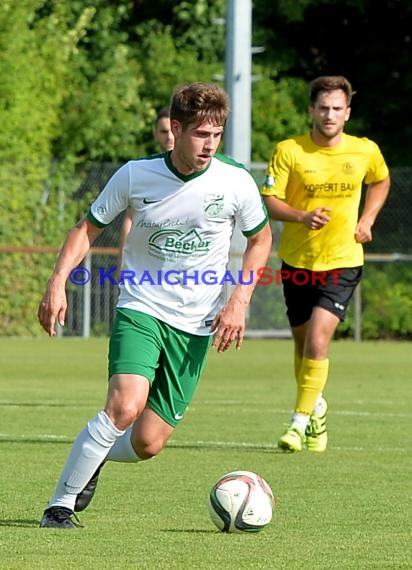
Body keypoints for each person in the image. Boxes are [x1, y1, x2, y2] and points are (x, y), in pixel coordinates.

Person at [38, 82, 272, 528]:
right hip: (141, 307)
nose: (209, 144)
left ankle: (95, 454)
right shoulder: (134, 175)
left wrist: (240, 298)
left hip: (198, 323)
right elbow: (87, 228)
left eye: (216, 135)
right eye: (201, 134)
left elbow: (260, 238)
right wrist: (57, 281)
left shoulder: (234, 180)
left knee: (148, 442)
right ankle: (60, 505)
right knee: (124, 407)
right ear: (176, 129)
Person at [260, 75, 390, 453]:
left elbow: (380, 182)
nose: (329, 114)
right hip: (298, 261)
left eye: (337, 108)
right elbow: (270, 199)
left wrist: (367, 220)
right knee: (303, 348)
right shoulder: (290, 151)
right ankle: (316, 409)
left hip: (343, 261)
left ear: (347, 113)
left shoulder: (364, 151)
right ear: (310, 110)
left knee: (318, 340)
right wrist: (301, 217)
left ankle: (297, 424)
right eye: (323, 107)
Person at [115, 106, 175, 279]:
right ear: (155, 133)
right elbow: (130, 217)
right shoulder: (143, 172)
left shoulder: (201, 172)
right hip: (146, 266)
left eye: (172, 130)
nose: (169, 137)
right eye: (164, 131)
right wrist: (122, 261)